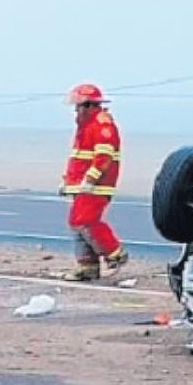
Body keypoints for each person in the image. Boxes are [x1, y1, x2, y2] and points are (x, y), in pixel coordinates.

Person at [59, 83, 128, 281]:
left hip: (97, 186)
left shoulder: (101, 125)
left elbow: (103, 157)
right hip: (83, 184)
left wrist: (90, 179)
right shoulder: (87, 126)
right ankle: (87, 266)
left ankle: (115, 253)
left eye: (78, 106)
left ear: (89, 105)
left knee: (84, 221)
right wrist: (68, 182)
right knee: (76, 223)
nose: (76, 110)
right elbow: (79, 158)